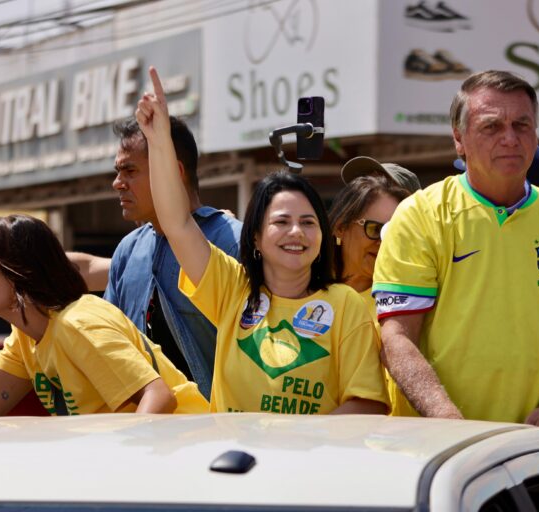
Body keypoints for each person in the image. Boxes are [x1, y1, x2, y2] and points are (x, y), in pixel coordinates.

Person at [373, 71, 539, 440]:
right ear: (459, 139)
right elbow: (397, 340)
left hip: (537, 453)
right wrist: (450, 424)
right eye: (492, 126)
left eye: (522, 125)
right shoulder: (420, 215)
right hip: (437, 451)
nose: (510, 138)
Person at [137, 65, 389, 414]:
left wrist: (295, 445)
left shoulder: (346, 305)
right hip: (233, 463)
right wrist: (160, 140)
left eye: (308, 222)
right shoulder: (232, 289)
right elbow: (177, 223)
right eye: (281, 222)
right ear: (255, 237)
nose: (296, 232)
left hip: (308, 466)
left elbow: (368, 405)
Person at [0, 214, 207, 418]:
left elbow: (160, 397)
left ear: (17, 275)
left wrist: (122, 470)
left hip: (189, 458)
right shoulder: (25, 337)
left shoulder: (79, 323)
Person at [68, 116, 242, 398]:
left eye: (130, 170)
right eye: (118, 171)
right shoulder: (128, 251)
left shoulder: (233, 241)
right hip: (146, 429)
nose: (117, 183)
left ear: (172, 171)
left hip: (216, 431)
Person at [329, 160, 416, 415]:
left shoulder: (411, 303)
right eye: (374, 228)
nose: (384, 241)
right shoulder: (300, 288)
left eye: (396, 231)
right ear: (341, 226)